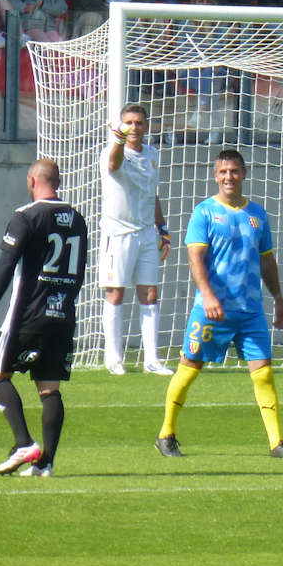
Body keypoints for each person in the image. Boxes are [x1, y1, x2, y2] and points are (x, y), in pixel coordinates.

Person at [155, 150, 283, 460]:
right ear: (215, 175)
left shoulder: (257, 214)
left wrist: (279, 301)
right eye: (223, 172)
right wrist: (207, 295)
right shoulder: (204, 212)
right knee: (189, 368)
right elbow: (195, 258)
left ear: (244, 173)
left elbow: (267, 262)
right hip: (211, 309)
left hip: (250, 311)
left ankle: (277, 443)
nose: (228, 177)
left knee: (263, 374)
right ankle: (166, 434)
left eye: (234, 171)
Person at [0, 159, 88, 479]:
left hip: (27, 315)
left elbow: (6, 265)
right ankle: (46, 464)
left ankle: (24, 443)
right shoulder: (78, 219)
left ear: (31, 181)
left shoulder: (26, 215)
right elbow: (79, 270)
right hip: (63, 315)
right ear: (58, 181)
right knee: (49, 390)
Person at [99, 103, 172, 377]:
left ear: (145, 126)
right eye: (129, 122)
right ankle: (114, 359)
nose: (134, 127)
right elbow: (115, 165)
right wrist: (117, 139)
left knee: (150, 293)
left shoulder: (152, 155)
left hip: (146, 234)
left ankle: (152, 360)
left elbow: (151, 194)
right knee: (116, 293)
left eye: (139, 123)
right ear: (122, 125)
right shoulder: (112, 151)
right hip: (118, 234)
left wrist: (162, 229)